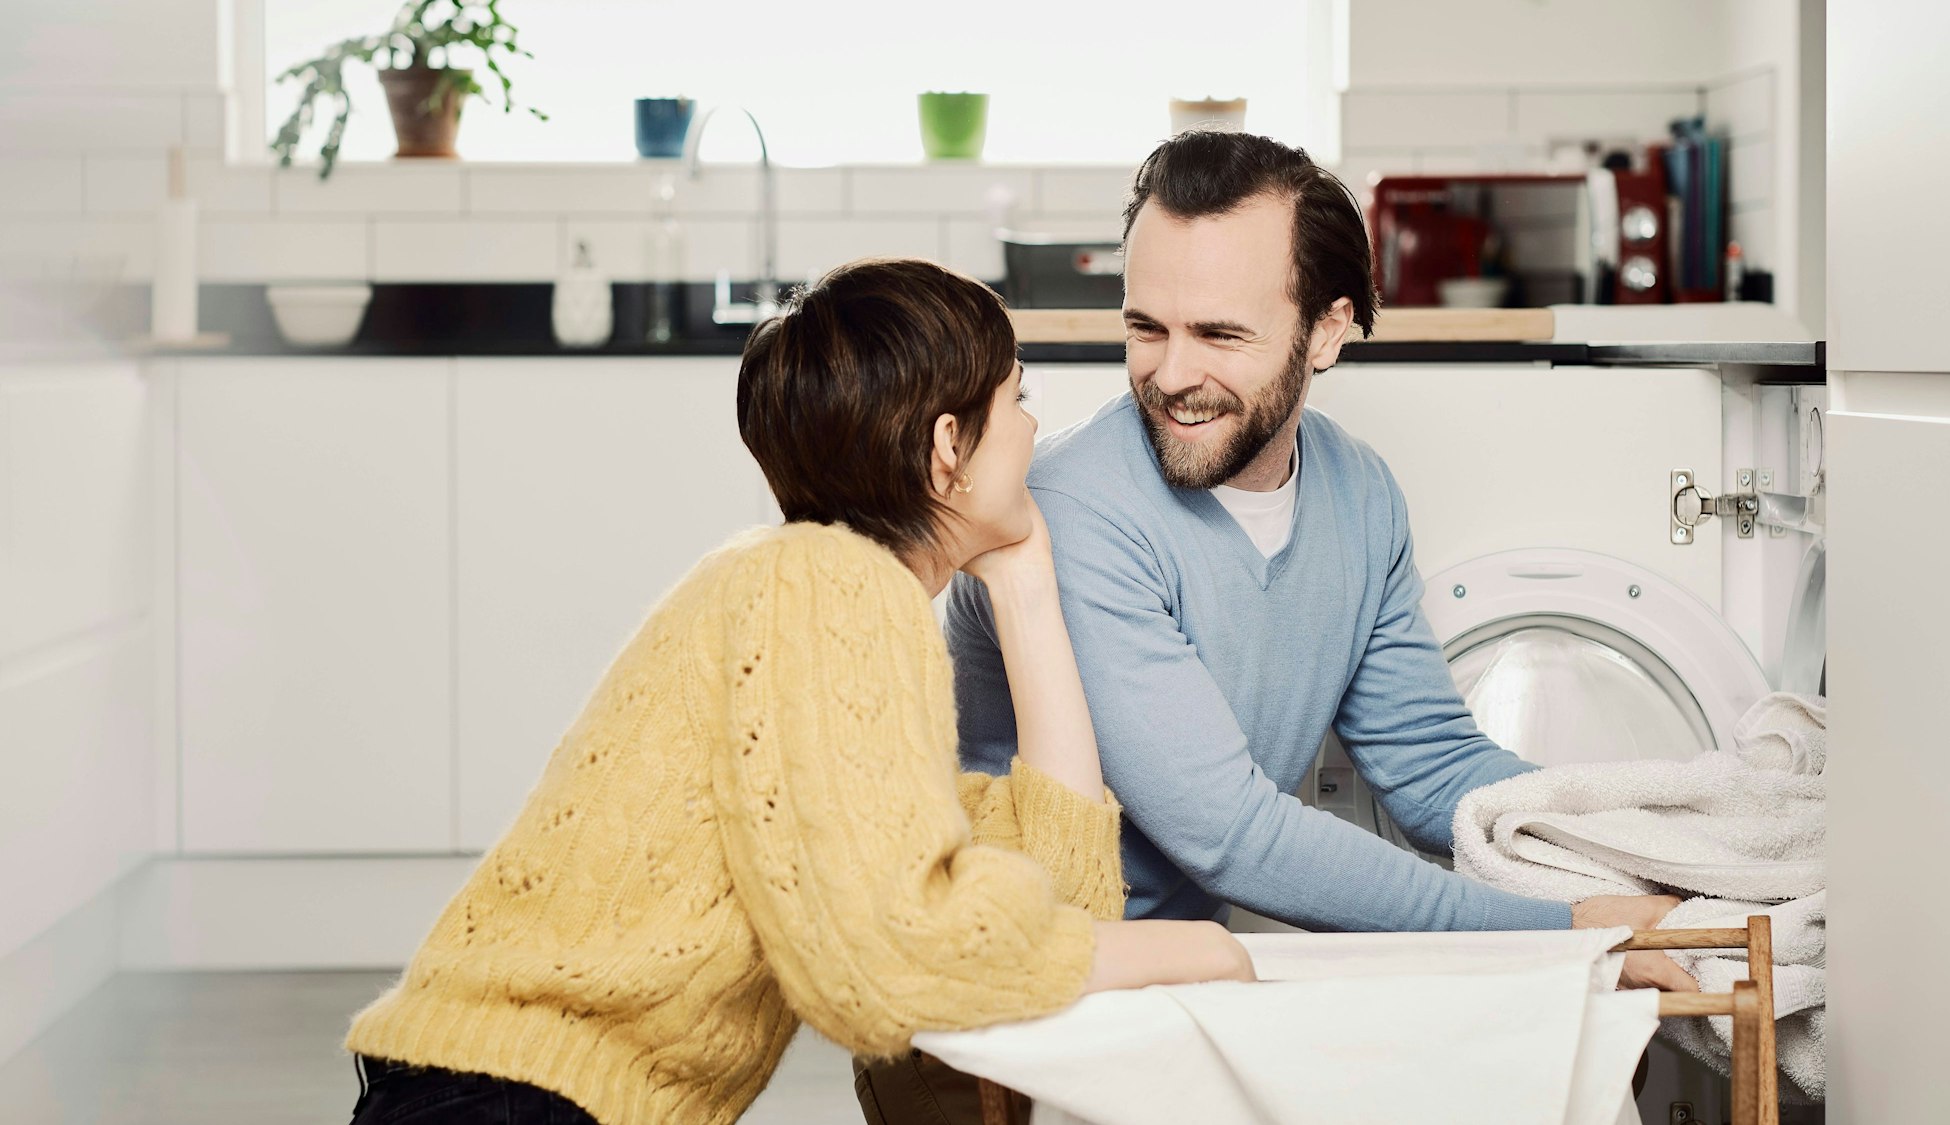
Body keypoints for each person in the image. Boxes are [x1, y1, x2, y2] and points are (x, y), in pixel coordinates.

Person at [341, 257, 1255, 1125]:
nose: (1030, 428)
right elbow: (895, 960)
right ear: (948, 447)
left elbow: (1061, 894)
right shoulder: (825, 585)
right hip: (510, 1101)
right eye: (1016, 396)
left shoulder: (813, 594)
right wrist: (1195, 946)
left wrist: (1026, 586)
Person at [946, 131, 1698, 991]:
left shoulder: (1359, 493)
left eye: (1221, 334)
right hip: (1014, 1002)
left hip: (1169, 981)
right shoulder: (1077, 512)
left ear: (1326, 331)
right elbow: (1232, 835)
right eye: (1146, 327)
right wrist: (1560, 929)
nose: (1171, 373)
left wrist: (1648, 850)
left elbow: (1433, 767)